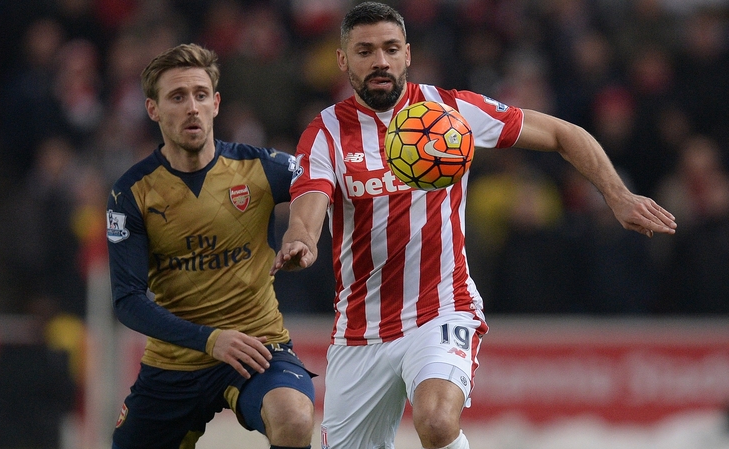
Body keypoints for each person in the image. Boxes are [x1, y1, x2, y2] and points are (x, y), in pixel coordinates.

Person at [270, 3, 677, 449]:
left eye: (389, 48)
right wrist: (300, 242)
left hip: (442, 308)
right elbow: (309, 205)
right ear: (343, 60)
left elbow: (564, 134)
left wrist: (617, 195)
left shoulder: (450, 110)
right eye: (365, 51)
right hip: (359, 329)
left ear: (407, 54)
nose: (380, 61)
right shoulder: (326, 131)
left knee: (437, 421)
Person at [107, 43, 315, 449]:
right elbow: (127, 300)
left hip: (257, 346)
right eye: (177, 97)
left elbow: (321, 183)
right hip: (175, 361)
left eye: (201, 95)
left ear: (216, 103)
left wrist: (303, 236)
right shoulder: (131, 193)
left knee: (293, 418)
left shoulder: (261, 167)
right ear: (153, 109)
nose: (192, 107)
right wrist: (210, 339)